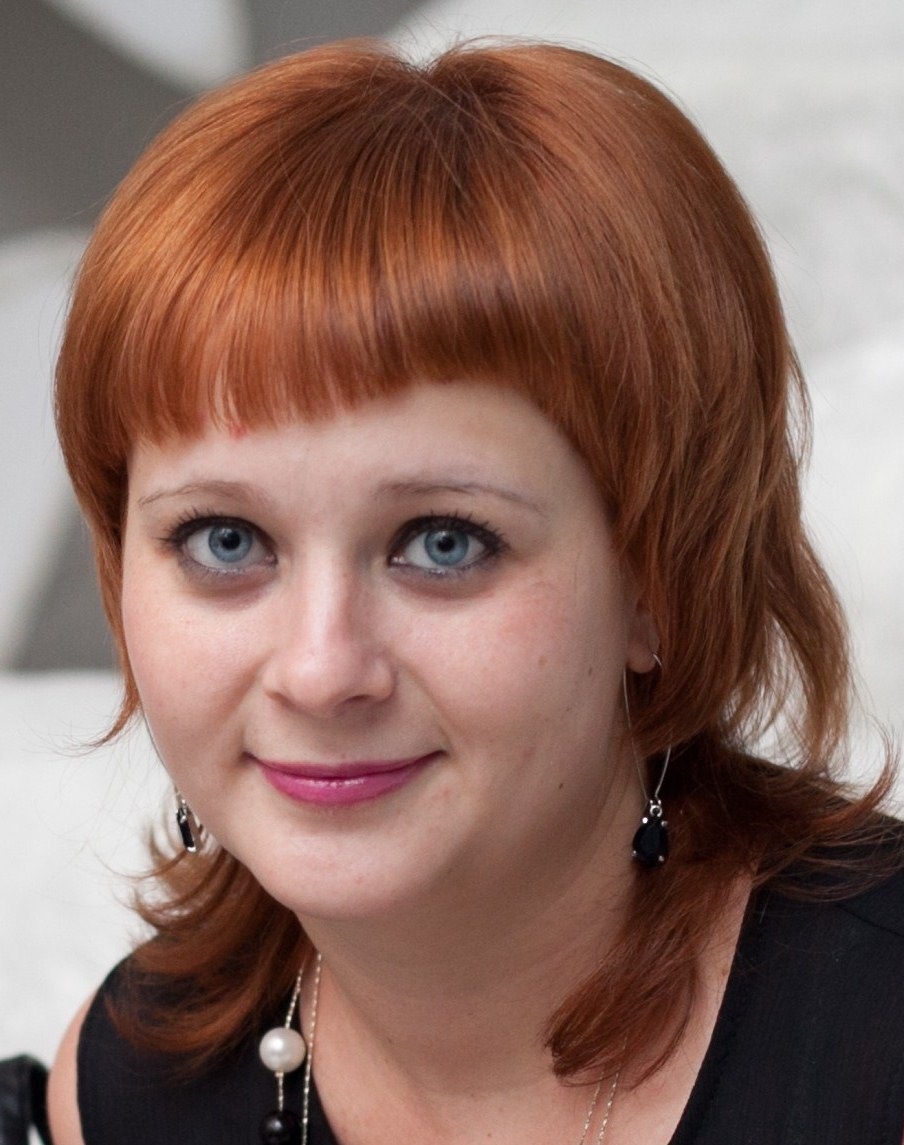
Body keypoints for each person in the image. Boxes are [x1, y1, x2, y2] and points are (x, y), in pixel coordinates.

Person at [46, 39, 904, 1145]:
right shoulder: (122, 1088)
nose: (319, 670)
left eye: (442, 543)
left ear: (660, 579)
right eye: (226, 539)